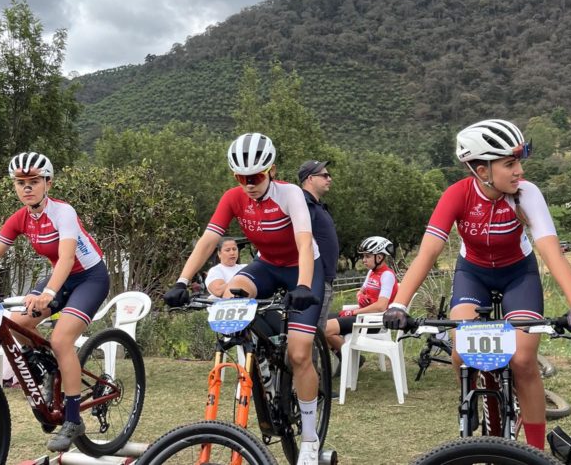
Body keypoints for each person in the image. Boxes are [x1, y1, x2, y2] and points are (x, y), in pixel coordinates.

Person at [382, 119, 571, 450]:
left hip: (518, 274)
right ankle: (474, 418)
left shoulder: (527, 194)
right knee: (461, 353)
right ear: (482, 170)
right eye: (510, 163)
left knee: (523, 360)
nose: (519, 171)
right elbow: (429, 251)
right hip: (473, 274)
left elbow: (551, 251)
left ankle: (535, 453)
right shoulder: (457, 195)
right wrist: (399, 304)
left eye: (519, 161)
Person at [163, 132, 325, 465]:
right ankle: (261, 353)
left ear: (272, 170)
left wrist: (305, 286)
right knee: (231, 291)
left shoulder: (291, 194)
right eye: (241, 178)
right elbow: (209, 240)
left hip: (303, 267)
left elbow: (305, 242)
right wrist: (182, 280)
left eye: (256, 177)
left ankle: (310, 437)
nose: (249, 183)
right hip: (267, 265)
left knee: (298, 353)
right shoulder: (233, 198)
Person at [0, 152, 110, 452]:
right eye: (20, 182)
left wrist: (49, 294)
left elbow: (68, 258)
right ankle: (47, 365)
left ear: (48, 183)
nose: (27, 187)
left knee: (61, 339)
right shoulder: (20, 219)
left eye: (33, 181)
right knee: (15, 324)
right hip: (60, 277)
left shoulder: (62, 212)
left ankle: (72, 419)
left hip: (89, 278)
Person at [325, 236, 398, 368]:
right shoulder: (371, 272)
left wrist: (353, 311)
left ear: (380, 257)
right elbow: (361, 291)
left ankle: (350, 359)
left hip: (375, 321)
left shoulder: (387, 275)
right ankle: (348, 358)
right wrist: (360, 295)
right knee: (318, 323)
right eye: (363, 256)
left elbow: (381, 307)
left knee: (325, 329)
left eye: (367, 256)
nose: (363, 260)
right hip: (362, 316)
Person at [298, 160, 339, 329]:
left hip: (324, 279)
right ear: (310, 178)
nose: (329, 179)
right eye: (324, 175)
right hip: (316, 280)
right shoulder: (304, 205)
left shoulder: (317, 205)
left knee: (318, 335)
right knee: (311, 334)